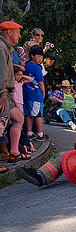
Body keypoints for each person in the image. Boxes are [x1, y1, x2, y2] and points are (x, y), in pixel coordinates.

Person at [1, 22, 25, 167]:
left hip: (6, 94)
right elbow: (1, 72)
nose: (20, 35)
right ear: (9, 32)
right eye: (17, 32)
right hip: (2, 94)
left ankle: (14, 151)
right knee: (0, 126)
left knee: (18, 118)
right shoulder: (1, 47)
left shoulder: (7, 48)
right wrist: (3, 93)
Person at [23, 45, 48, 141]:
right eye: (38, 56)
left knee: (29, 114)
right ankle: (40, 134)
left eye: (41, 57)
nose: (40, 59)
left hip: (26, 94)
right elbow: (41, 83)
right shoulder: (37, 67)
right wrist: (43, 94)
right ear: (32, 55)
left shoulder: (26, 65)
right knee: (38, 115)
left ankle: (29, 133)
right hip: (36, 95)